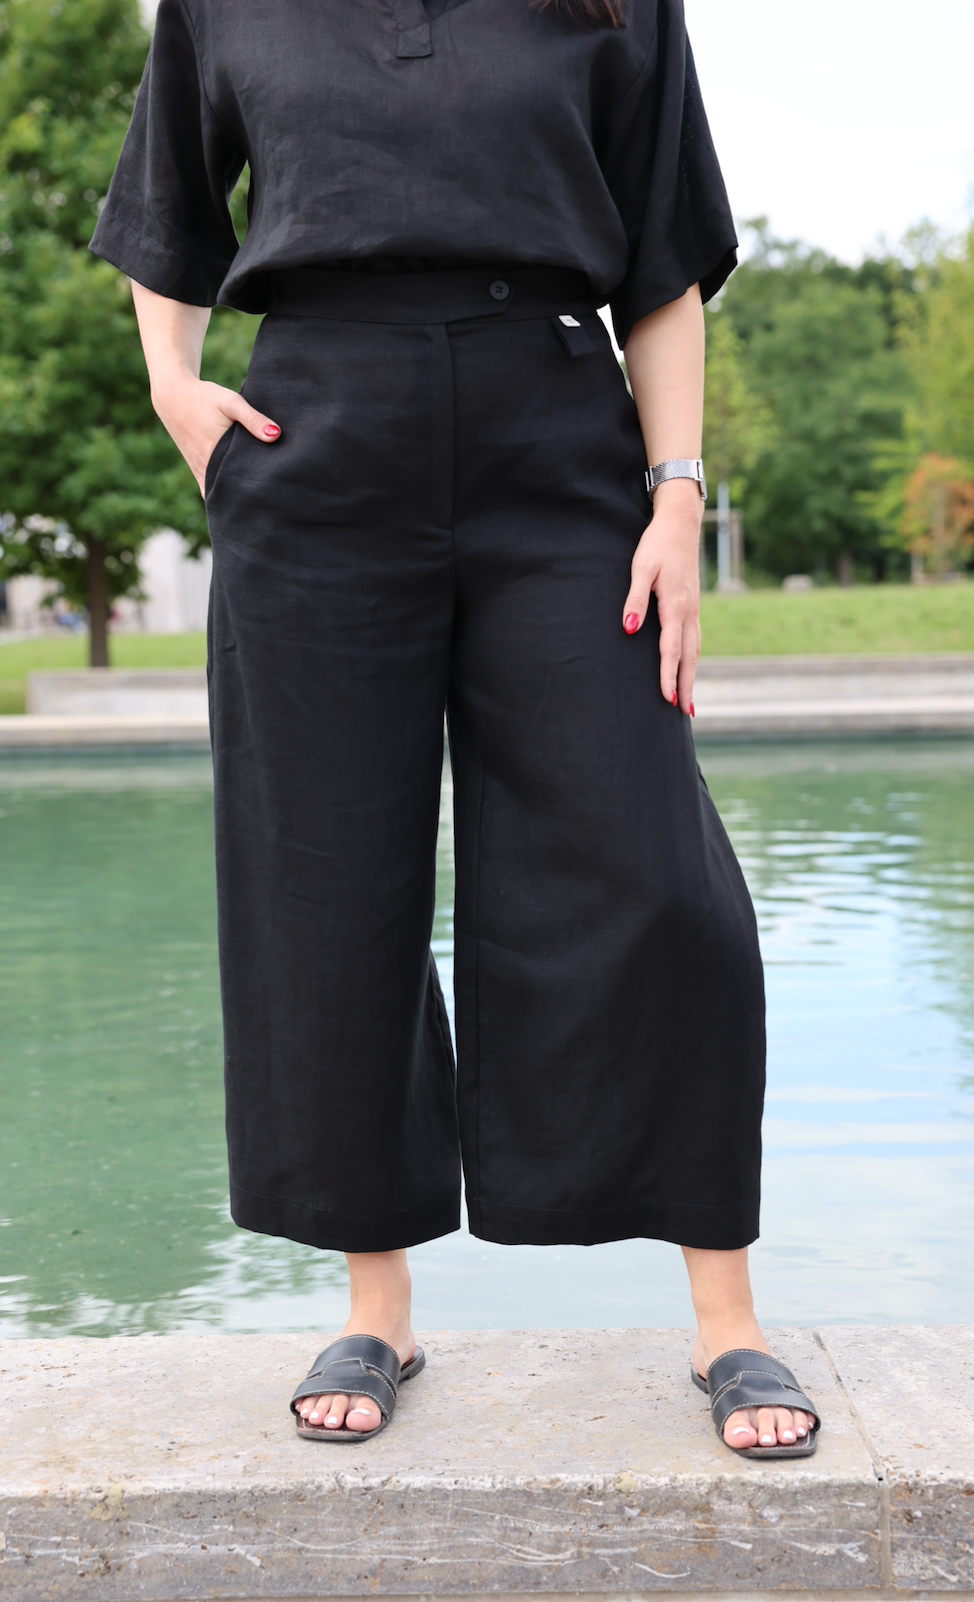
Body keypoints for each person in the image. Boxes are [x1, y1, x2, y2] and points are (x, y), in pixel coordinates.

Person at [92, 0, 820, 1457]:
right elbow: (167, 208)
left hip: (559, 448)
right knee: (326, 884)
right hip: (315, 445)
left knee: (658, 875)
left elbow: (664, 261)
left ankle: (725, 1318)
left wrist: (676, 492)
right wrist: (176, 387)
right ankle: (378, 1303)